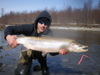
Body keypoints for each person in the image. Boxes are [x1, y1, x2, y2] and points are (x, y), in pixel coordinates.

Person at [4, 11, 68, 75]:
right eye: (41, 22)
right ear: (37, 21)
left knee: (45, 73)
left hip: (41, 53)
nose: (43, 25)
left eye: (46, 23)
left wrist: (59, 51)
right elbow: (9, 28)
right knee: (21, 73)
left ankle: (42, 66)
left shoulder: (49, 33)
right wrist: (8, 36)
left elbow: (51, 53)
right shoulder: (29, 28)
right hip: (28, 51)